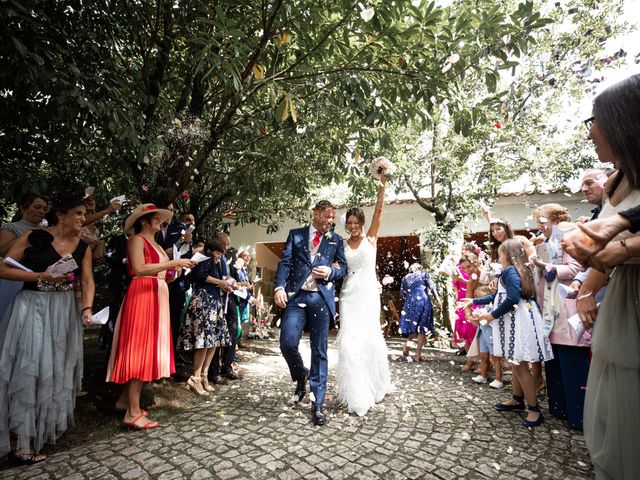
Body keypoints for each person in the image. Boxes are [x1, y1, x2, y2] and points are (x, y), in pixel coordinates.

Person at [561, 74, 640, 480]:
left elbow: (616, 242)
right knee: (618, 408)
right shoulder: (616, 182)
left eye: (596, 119)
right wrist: (589, 285)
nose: (590, 131)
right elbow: (602, 253)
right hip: (624, 298)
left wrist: (616, 246)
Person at [0, 193, 94, 463]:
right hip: (33, 307)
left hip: (63, 310)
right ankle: (20, 443)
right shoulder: (35, 237)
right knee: (30, 370)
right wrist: (39, 276)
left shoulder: (82, 247)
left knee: (55, 368)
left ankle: (43, 428)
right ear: (60, 214)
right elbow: (4, 269)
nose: (82, 218)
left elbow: (87, 281)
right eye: (77, 213)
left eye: (83, 214)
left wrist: (86, 308)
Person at [106, 204, 194, 430]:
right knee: (139, 349)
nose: (159, 221)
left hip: (157, 294)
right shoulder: (136, 240)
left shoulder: (156, 244)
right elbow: (139, 268)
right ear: (143, 221)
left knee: (148, 349)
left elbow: (163, 273)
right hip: (142, 295)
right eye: (155, 218)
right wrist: (173, 262)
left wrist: (175, 271)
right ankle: (132, 413)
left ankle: (124, 400)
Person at [461, 239, 553, 428]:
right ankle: (517, 399)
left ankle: (534, 409)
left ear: (508, 255)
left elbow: (511, 298)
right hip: (518, 316)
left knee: (517, 363)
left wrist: (491, 315)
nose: (499, 257)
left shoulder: (510, 271)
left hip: (518, 318)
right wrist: (474, 302)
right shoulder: (516, 270)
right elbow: (498, 295)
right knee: (515, 359)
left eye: (501, 254)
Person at [274, 200, 347, 426]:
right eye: (326, 216)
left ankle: (317, 402)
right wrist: (279, 287)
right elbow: (285, 262)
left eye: (332, 218)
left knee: (320, 350)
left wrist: (330, 271)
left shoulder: (336, 240)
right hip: (296, 297)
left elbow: (343, 268)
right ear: (315, 214)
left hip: (320, 300)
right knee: (287, 343)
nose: (329, 221)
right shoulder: (296, 234)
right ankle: (300, 375)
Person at [336, 174, 393, 416]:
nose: (352, 225)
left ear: (362, 221)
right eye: (349, 222)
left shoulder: (371, 239)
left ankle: (375, 385)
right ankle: (357, 395)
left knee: (369, 340)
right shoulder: (341, 245)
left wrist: (383, 183)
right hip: (348, 297)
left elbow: (379, 211)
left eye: (356, 221)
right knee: (348, 345)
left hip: (368, 296)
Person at [178, 239, 230, 396]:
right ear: (210, 251)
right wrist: (220, 282)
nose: (219, 257)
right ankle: (196, 377)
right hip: (203, 301)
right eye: (217, 254)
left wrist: (226, 284)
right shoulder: (204, 258)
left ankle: (204, 376)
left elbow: (220, 278)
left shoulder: (217, 263)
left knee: (213, 341)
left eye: (221, 255)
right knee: (203, 342)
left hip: (215, 302)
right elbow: (199, 276)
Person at [0, 193, 49, 320]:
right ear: (23, 208)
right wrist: (27, 236)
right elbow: (4, 251)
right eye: (37, 207)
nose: (41, 211)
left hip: (40, 280)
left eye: (44, 209)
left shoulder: (48, 231)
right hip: (14, 280)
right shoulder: (11, 227)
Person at [399, 263, 442, 362]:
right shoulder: (424, 274)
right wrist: (438, 299)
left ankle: (407, 345)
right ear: (420, 268)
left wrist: (408, 302)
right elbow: (432, 287)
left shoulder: (405, 278)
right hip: (423, 301)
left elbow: (402, 294)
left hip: (410, 302)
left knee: (413, 327)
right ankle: (417, 354)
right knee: (422, 327)